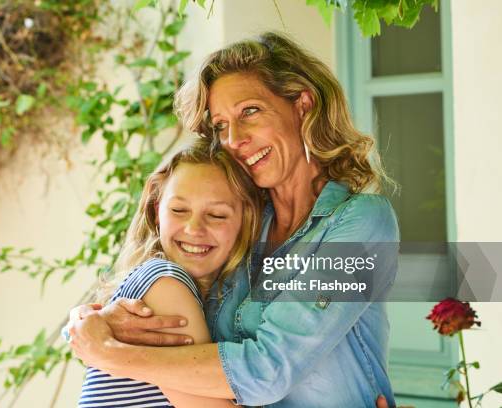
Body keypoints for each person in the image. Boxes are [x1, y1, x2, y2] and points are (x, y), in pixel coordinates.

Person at [68, 32, 399, 407]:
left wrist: (110, 353)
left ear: (302, 105)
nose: (234, 139)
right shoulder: (239, 223)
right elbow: (162, 297)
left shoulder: (362, 222)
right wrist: (89, 321)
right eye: (221, 125)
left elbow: (269, 370)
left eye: (250, 112)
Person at [67, 138, 263, 407]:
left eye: (217, 215)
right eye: (179, 210)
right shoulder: (165, 282)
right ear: (156, 210)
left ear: (246, 219)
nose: (194, 229)